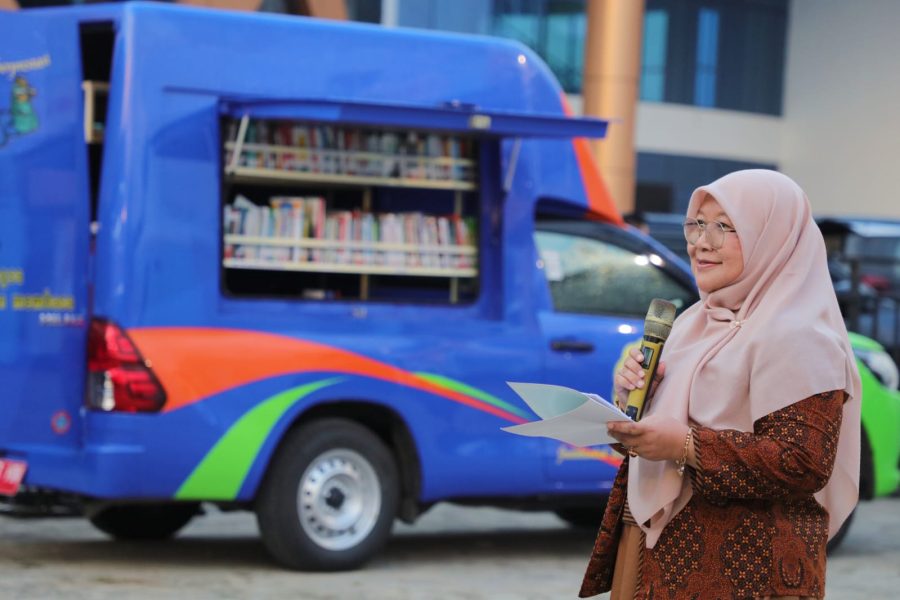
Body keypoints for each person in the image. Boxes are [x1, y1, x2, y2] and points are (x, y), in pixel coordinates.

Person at [579, 170, 861, 600]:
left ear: (773, 236)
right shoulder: (693, 322)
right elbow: (664, 437)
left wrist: (684, 444)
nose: (701, 242)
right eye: (697, 224)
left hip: (744, 569)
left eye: (725, 227)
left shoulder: (801, 335)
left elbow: (803, 462)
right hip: (652, 551)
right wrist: (633, 406)